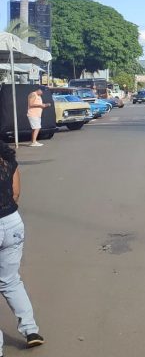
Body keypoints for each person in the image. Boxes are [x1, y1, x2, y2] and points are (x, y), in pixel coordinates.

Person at [0, 143, 44, 350]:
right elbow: (16, 193)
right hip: (12, 222)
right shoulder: (8, 162)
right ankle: (31, 330)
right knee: (10, 281)